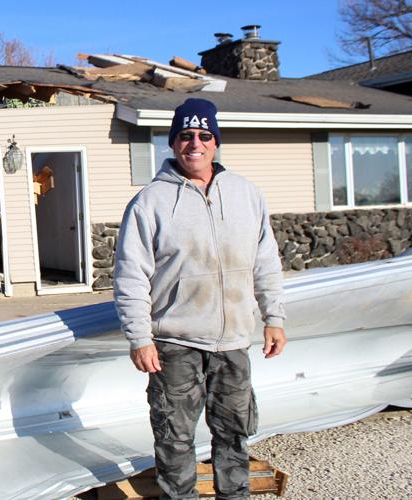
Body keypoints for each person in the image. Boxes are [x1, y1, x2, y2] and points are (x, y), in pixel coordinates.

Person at [113, 98, 287, 499]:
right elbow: (130, 275)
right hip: (174, 344)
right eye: (186, 136)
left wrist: (273, 317)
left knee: (234, 434)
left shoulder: (246, 195)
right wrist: (140, 337)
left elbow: (266, 261)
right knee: (174, 441)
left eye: (204, 135)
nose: (196, 143)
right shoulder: (149, 202)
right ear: (173, 143)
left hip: (233, 343)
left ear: (215, 142)